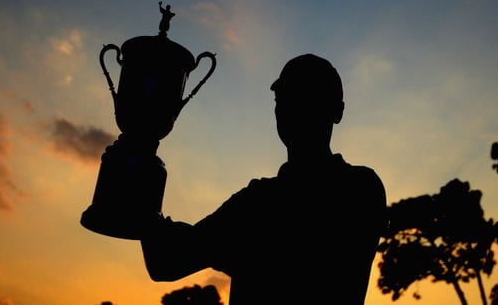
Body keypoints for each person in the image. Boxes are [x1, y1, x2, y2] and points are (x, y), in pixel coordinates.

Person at [140, 54, 388, 305]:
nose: (290, 107)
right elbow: (166, 261)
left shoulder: (261, 202)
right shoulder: (363, 188)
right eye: (284, 99)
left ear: (337, 111)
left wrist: (141, 170)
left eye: (305, 97)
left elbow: (167, 261)